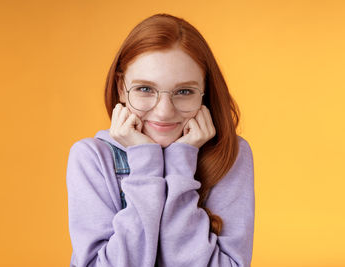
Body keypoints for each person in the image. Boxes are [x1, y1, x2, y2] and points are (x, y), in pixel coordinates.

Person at [66, 13, 255, 267]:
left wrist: (180, 164)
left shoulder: (231, 154)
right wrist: (145, 165)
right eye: (145, 89)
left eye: (184, 91)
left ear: (204, 93)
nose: (164, 111)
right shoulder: (91, 158)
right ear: (122, 88)